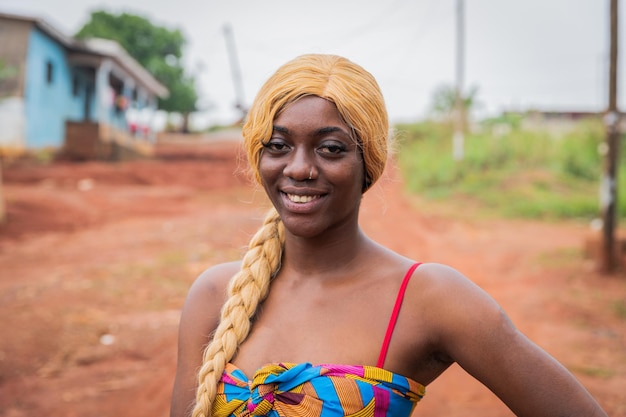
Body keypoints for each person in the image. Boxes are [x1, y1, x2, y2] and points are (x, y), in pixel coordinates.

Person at [170, 54, 608, 417]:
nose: (299, 168)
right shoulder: (214, 296)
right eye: (278, 145)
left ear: (370, 163)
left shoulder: (429, 297)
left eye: (331, 148)